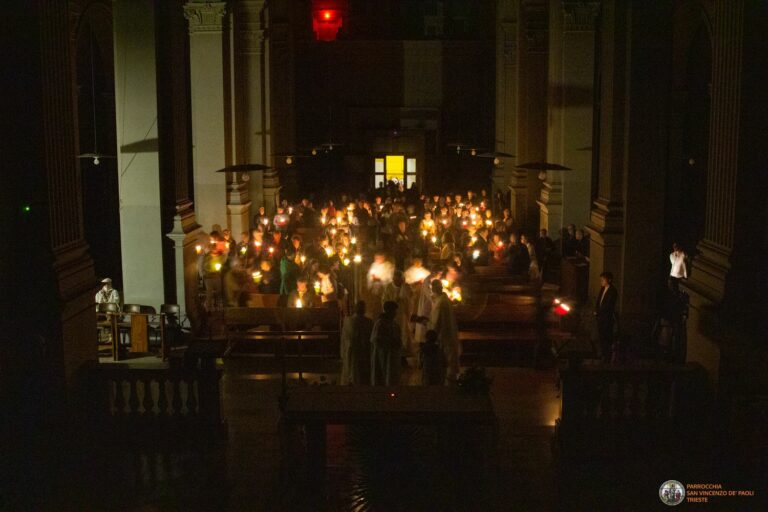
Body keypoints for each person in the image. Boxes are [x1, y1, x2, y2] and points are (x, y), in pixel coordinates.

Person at [427, 279, 459, 383]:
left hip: (442, 335)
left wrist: (431, 331)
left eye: (432, 288)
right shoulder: (444, 299)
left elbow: (436, 321)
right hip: (448, 333)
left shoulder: (440, 303)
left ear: (434, 289)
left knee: (444, 359)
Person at [340, 301, 374, 385]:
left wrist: (343, 352)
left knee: (352, 371)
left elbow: (344, 338)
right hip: (363, 351)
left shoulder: (348, 321)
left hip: (352, 351)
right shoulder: (368, 322)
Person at [370, 301, 402, 386]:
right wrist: (389, 342)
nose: (395, 313)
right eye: (394, 311)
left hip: (392, 357)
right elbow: (377, 340)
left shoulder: (394, 324)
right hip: (383, 357)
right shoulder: (380, 324)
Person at [382, 270, 413, 355]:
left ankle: (403, 351)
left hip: (402, 313)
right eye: (395, 280)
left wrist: (404, 299)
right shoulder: (388, 287)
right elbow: (384, 300)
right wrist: (391, 303)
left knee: (403, 331)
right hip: (392, 313)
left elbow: (411, 298)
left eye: (399, 280)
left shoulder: (406, 287)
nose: (397, 282)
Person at [594, 271, 618, 362]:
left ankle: (607, 356)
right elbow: (599, 301)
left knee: (607, 337)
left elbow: (608, 305)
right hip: (600, 317)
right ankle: (603, 354)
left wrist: (599, 311)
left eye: (603, 280)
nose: (601, 281)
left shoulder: (613, 291)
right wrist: (596, 310)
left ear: (609, 280)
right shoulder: (602, 289)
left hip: (607, 318)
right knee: (601, 337)